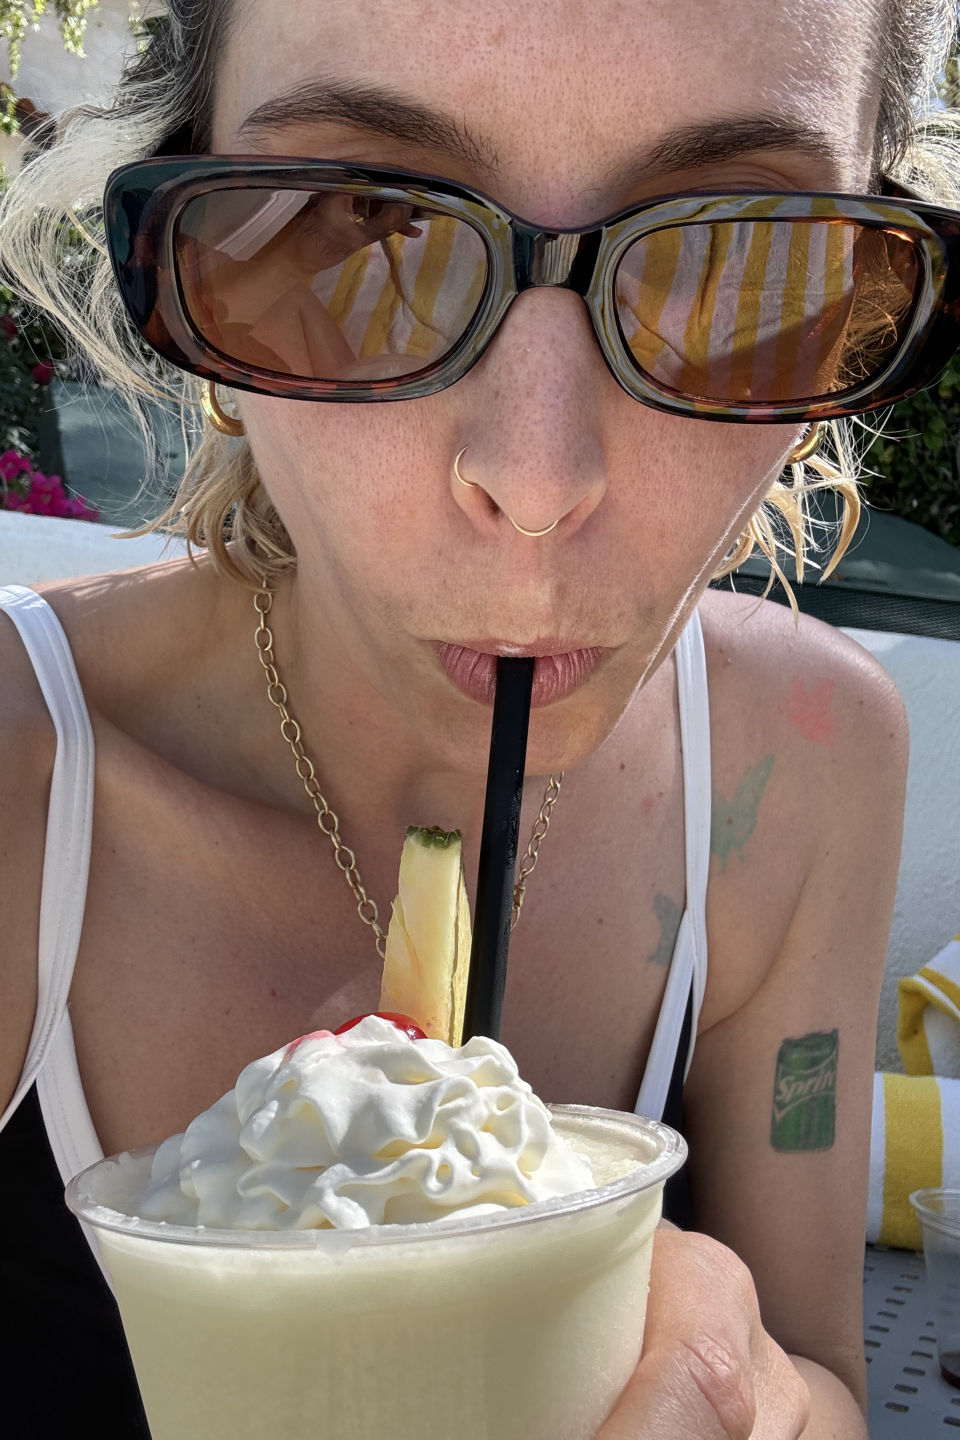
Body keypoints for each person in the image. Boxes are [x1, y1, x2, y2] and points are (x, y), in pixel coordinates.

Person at [0, 0, 954, 1434]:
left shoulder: (803, 768)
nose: (538, 476)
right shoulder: (24, 779)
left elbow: (827, 1379)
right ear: (188, 276)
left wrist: (748, 1395)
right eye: (347, 234)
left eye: (742, 259)